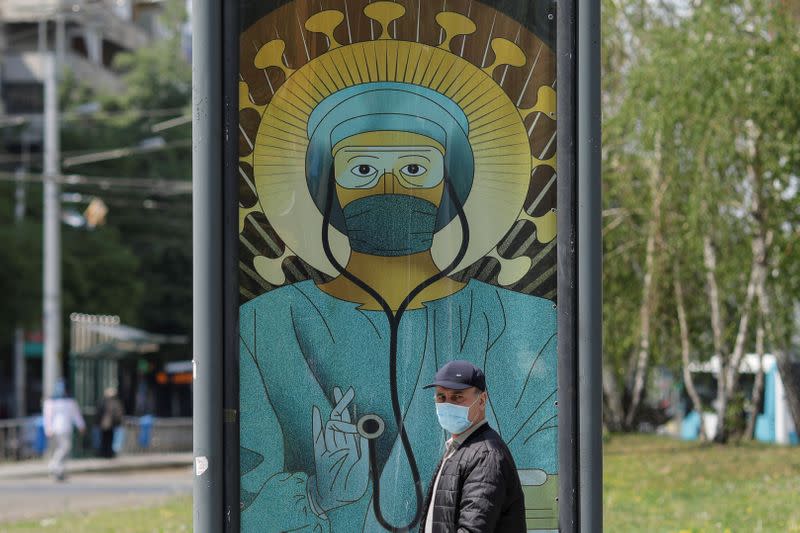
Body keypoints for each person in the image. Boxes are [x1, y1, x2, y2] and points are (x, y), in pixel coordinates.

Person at [240, 81, 557, 531]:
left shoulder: (525, 324)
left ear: (452, 184)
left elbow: (548, 477)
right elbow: (244, 499)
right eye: (363, 169)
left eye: (414, 168)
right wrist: (317, 495)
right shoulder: (262, 326)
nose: (390, 186)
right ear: (327, 188)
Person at [420, 360, 525, 532]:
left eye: (457, 397)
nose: (447, 404)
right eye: (441, 397)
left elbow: (473, 528)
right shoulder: (460, 449)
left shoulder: (485, 455)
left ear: (482, 400)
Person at [42, 380, 85, 481]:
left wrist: (81, 425)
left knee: (62, 449)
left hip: (63, 428)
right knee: (63, 448)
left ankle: (59, 470)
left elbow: (75, 415)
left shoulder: (68, 402)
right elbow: (48, 417)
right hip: (58, 429)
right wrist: (48, 428)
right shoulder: (52, 402)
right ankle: (54, 465)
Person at [97, 387, 124, 458]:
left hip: (105, 424)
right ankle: (108, 453)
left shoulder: (103, 402)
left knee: (105, 439)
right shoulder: (115, 402)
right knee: (109, 439)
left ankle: (105, 453)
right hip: (111, 424)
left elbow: (99, 413)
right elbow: (118, 414)